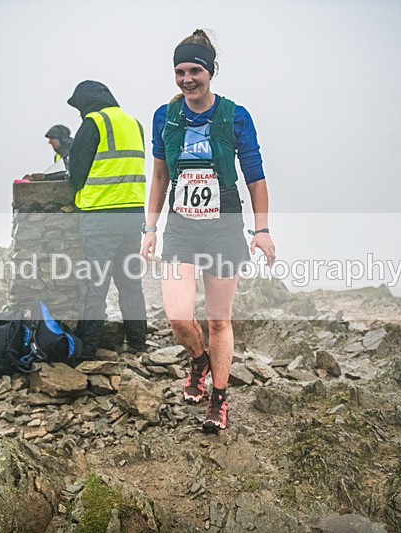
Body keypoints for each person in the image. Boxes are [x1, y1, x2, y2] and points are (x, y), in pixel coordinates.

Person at [140, 30, 276, 433]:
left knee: (219, 320)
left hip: (224, 224)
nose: (186, 79)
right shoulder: (165, 116)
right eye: (179, 71)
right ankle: (197, 359)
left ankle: (219, 399)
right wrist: (150, 227)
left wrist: (262, 228)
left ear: (210, 72)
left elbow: (255, 176)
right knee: (179, 318)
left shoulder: (235, 116)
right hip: (181, 225)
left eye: (194, 70)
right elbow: (160, 175)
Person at [66, 81, 148, 358]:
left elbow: (76, 173)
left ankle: (86, 349)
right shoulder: (134, 123)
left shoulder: (94, 123)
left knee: (94, 286)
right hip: (133, 214)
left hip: (102, 217)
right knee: (130, 283)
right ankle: (138, 341)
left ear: (86, 103)